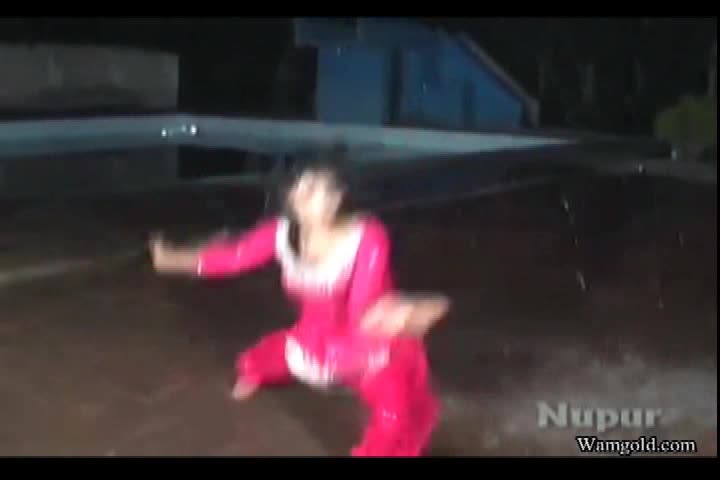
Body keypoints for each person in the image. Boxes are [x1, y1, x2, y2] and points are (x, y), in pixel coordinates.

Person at [149, 158, 449, 457]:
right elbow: (234, 258)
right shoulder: (280, 233)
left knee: (394, 418)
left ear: (337, 199)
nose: (311, 195)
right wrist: (172, 260)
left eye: (322, 189)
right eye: (303, 187)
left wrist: (419, 310)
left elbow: (362, 306)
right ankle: (255, 372)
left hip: (374, 338)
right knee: (275, 356)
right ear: (290, 196)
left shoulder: (367, 237)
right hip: (313, 335)